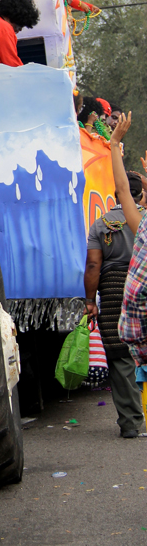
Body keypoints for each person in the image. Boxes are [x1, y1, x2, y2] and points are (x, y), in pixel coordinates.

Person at [84, 171, 146, 437]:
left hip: (112, 291)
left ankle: (130, 423)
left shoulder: (101, 224)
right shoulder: (142, 219)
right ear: (141, 194)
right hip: (142, 284)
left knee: (121, 356)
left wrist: (90, 300)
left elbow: (93, 265)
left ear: (116, 193)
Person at [112, 115, 147, 371]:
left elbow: (124, 191)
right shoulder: (143, 227)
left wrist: (115, 144)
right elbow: (124, 191)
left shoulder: (143, 227)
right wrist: (113, 145)